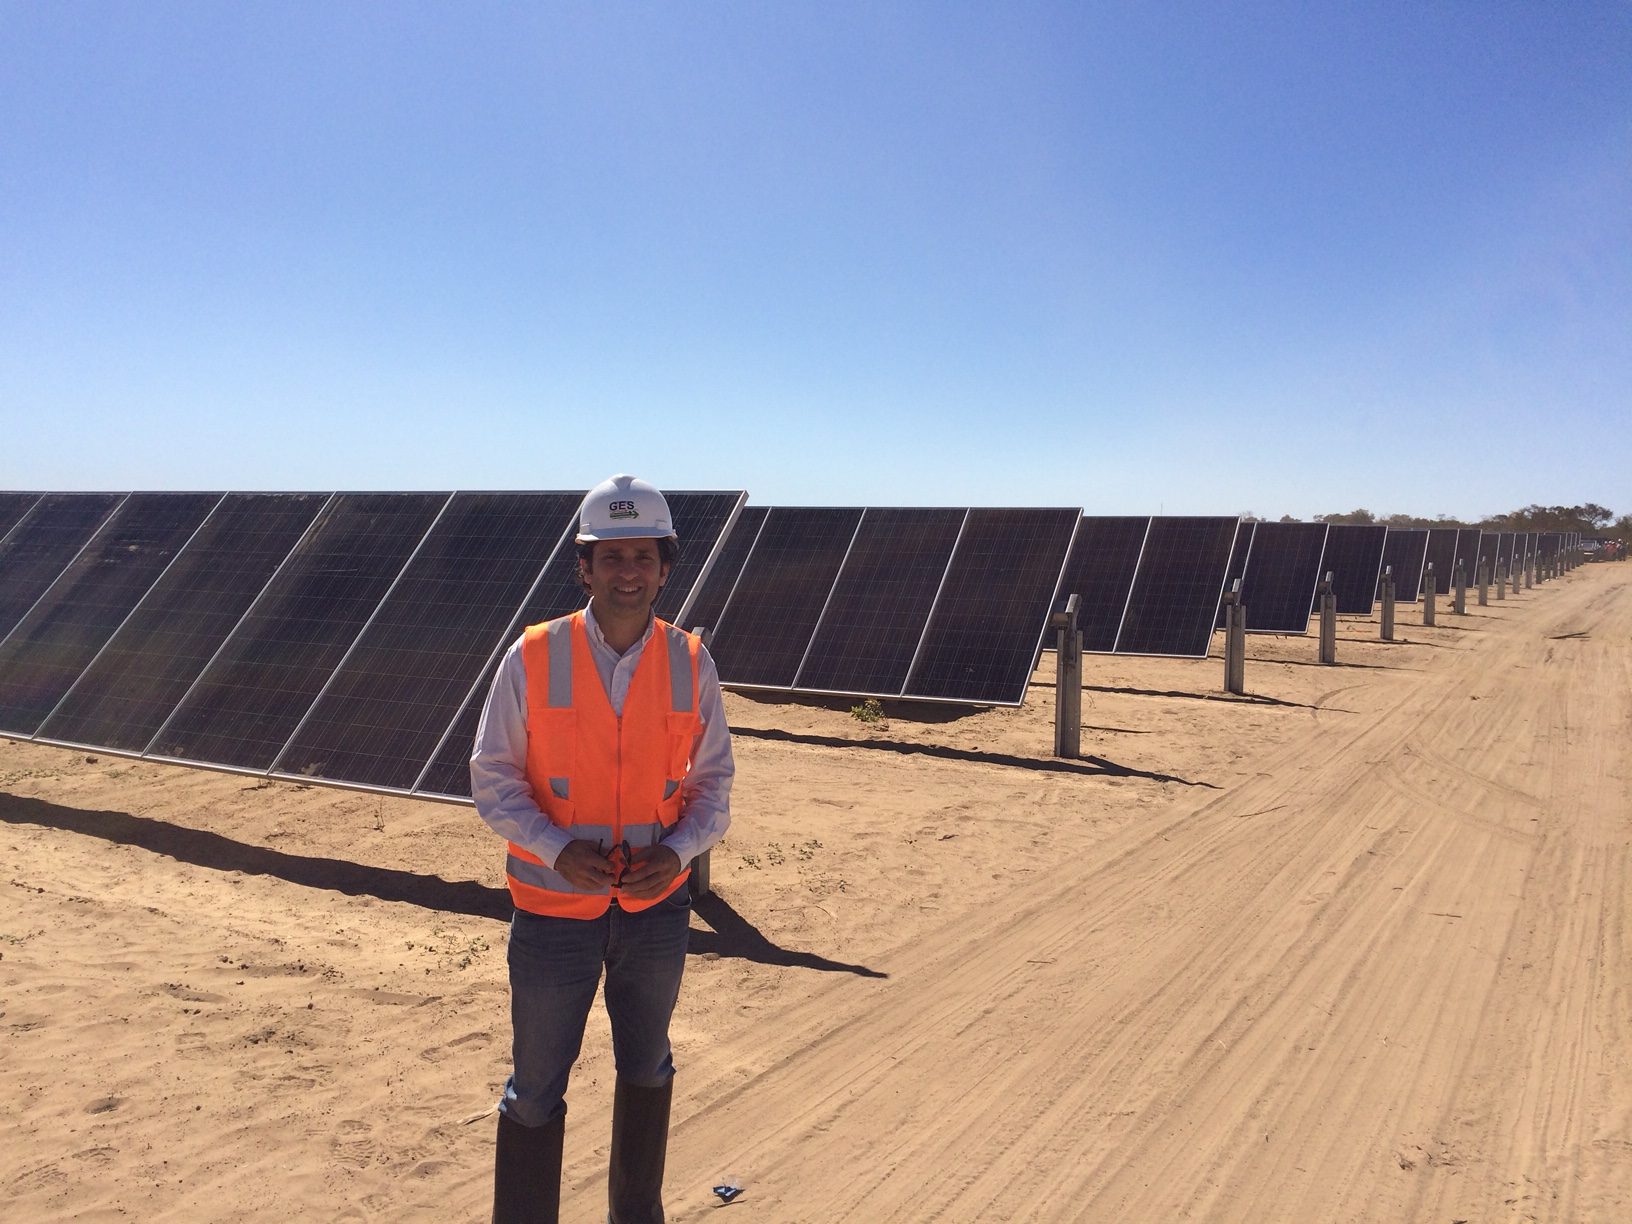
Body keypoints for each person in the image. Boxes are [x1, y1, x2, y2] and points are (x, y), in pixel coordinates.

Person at [472, 474, 734, 1224]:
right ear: (583, 567)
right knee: (535, 1091)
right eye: (611, 556)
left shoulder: (692, 663)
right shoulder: (531, 656)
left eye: (643, 556)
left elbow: (713, 785)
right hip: (553, 914)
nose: (628, 571)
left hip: (655, 914)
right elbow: (492, 777)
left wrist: (679, 852)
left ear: (664, 566)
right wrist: (557, 850)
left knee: (647, 1068)